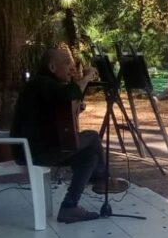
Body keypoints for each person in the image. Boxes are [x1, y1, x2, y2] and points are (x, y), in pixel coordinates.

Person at [11, 47, 111, 223]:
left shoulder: (47, 86)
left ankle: (69, 207)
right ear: (52, 67)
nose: (71, 67)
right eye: (66, 63)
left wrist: (75, 108)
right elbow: (68, 95)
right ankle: (102, 180)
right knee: (93, 136)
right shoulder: (41, 84)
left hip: (44, 148)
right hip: (35, 152)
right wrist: (86, 78)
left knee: (89, 156)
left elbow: (62, 114)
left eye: (71, 62)